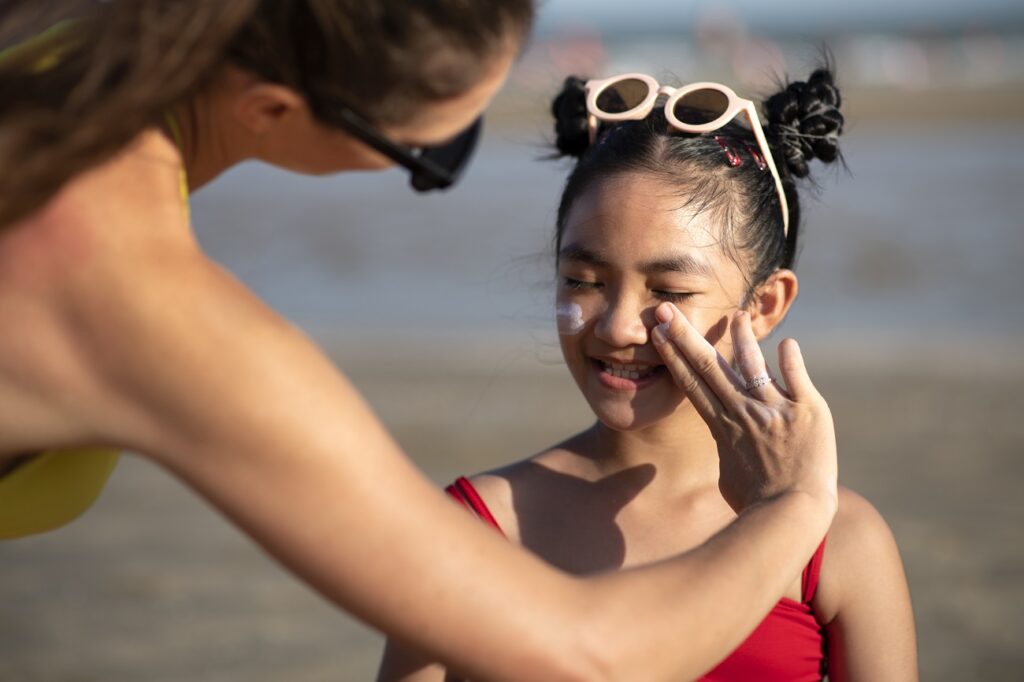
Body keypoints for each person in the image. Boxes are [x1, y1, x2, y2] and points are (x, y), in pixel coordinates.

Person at [0, 2, 839, 680]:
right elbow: (583, 654)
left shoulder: (48, 48)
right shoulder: (134, 300)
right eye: (430, 155)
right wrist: (793, 507)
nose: (434, 171)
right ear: (270, 107)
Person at [380, 66, 918, 681]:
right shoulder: (477, 528)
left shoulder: (839, 539)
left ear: (765, 305)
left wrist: (793, 509)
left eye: (669, 290)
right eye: (583, 280)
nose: (617, 327)